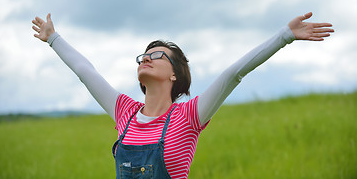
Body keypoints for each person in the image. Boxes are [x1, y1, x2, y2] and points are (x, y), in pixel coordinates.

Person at [32, 12, 334, 179]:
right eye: (143, 56)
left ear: (174, 74)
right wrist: (53, 38)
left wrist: (284, 36)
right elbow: (86, 72)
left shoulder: (188, 116)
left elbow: (234, 74)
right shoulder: (124, 112)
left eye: (157, 55)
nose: (146, 59)